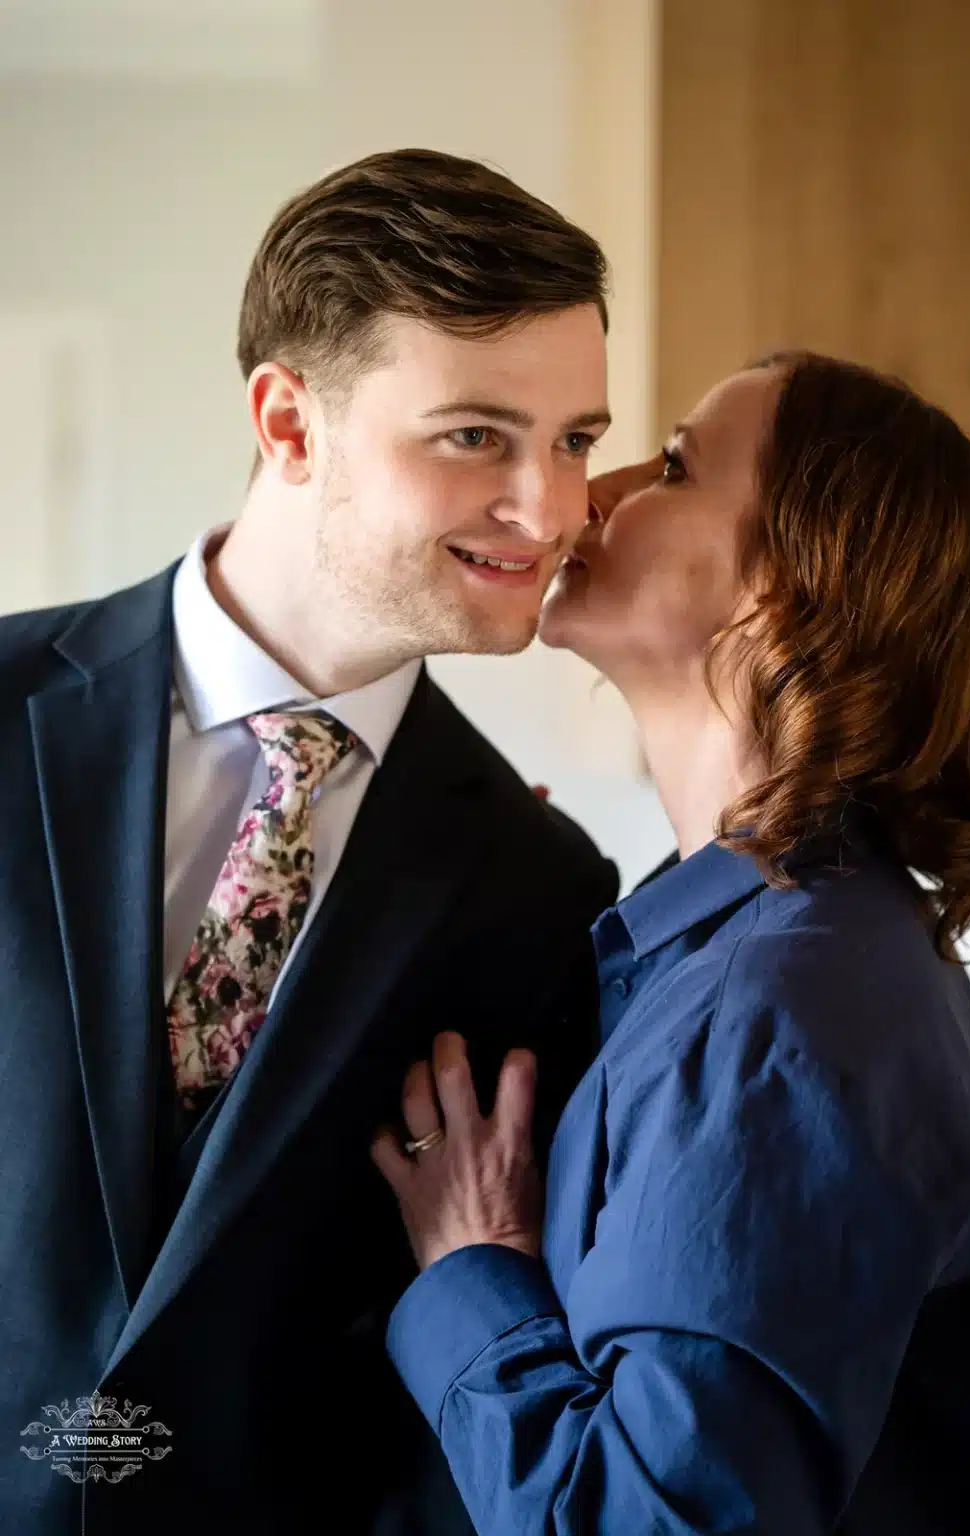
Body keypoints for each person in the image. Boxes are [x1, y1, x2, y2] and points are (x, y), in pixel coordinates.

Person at [0, 148, 619, 1535]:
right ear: (288, 423)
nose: (551, 508)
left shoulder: (543, 891)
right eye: (475, 435)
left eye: (574, 438)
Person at [374, 352, 970, 1534]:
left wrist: (475, 1269)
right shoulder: (777, 951)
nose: (586, 494)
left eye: (671, 466)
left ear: (785, 587)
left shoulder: (776, 1012)